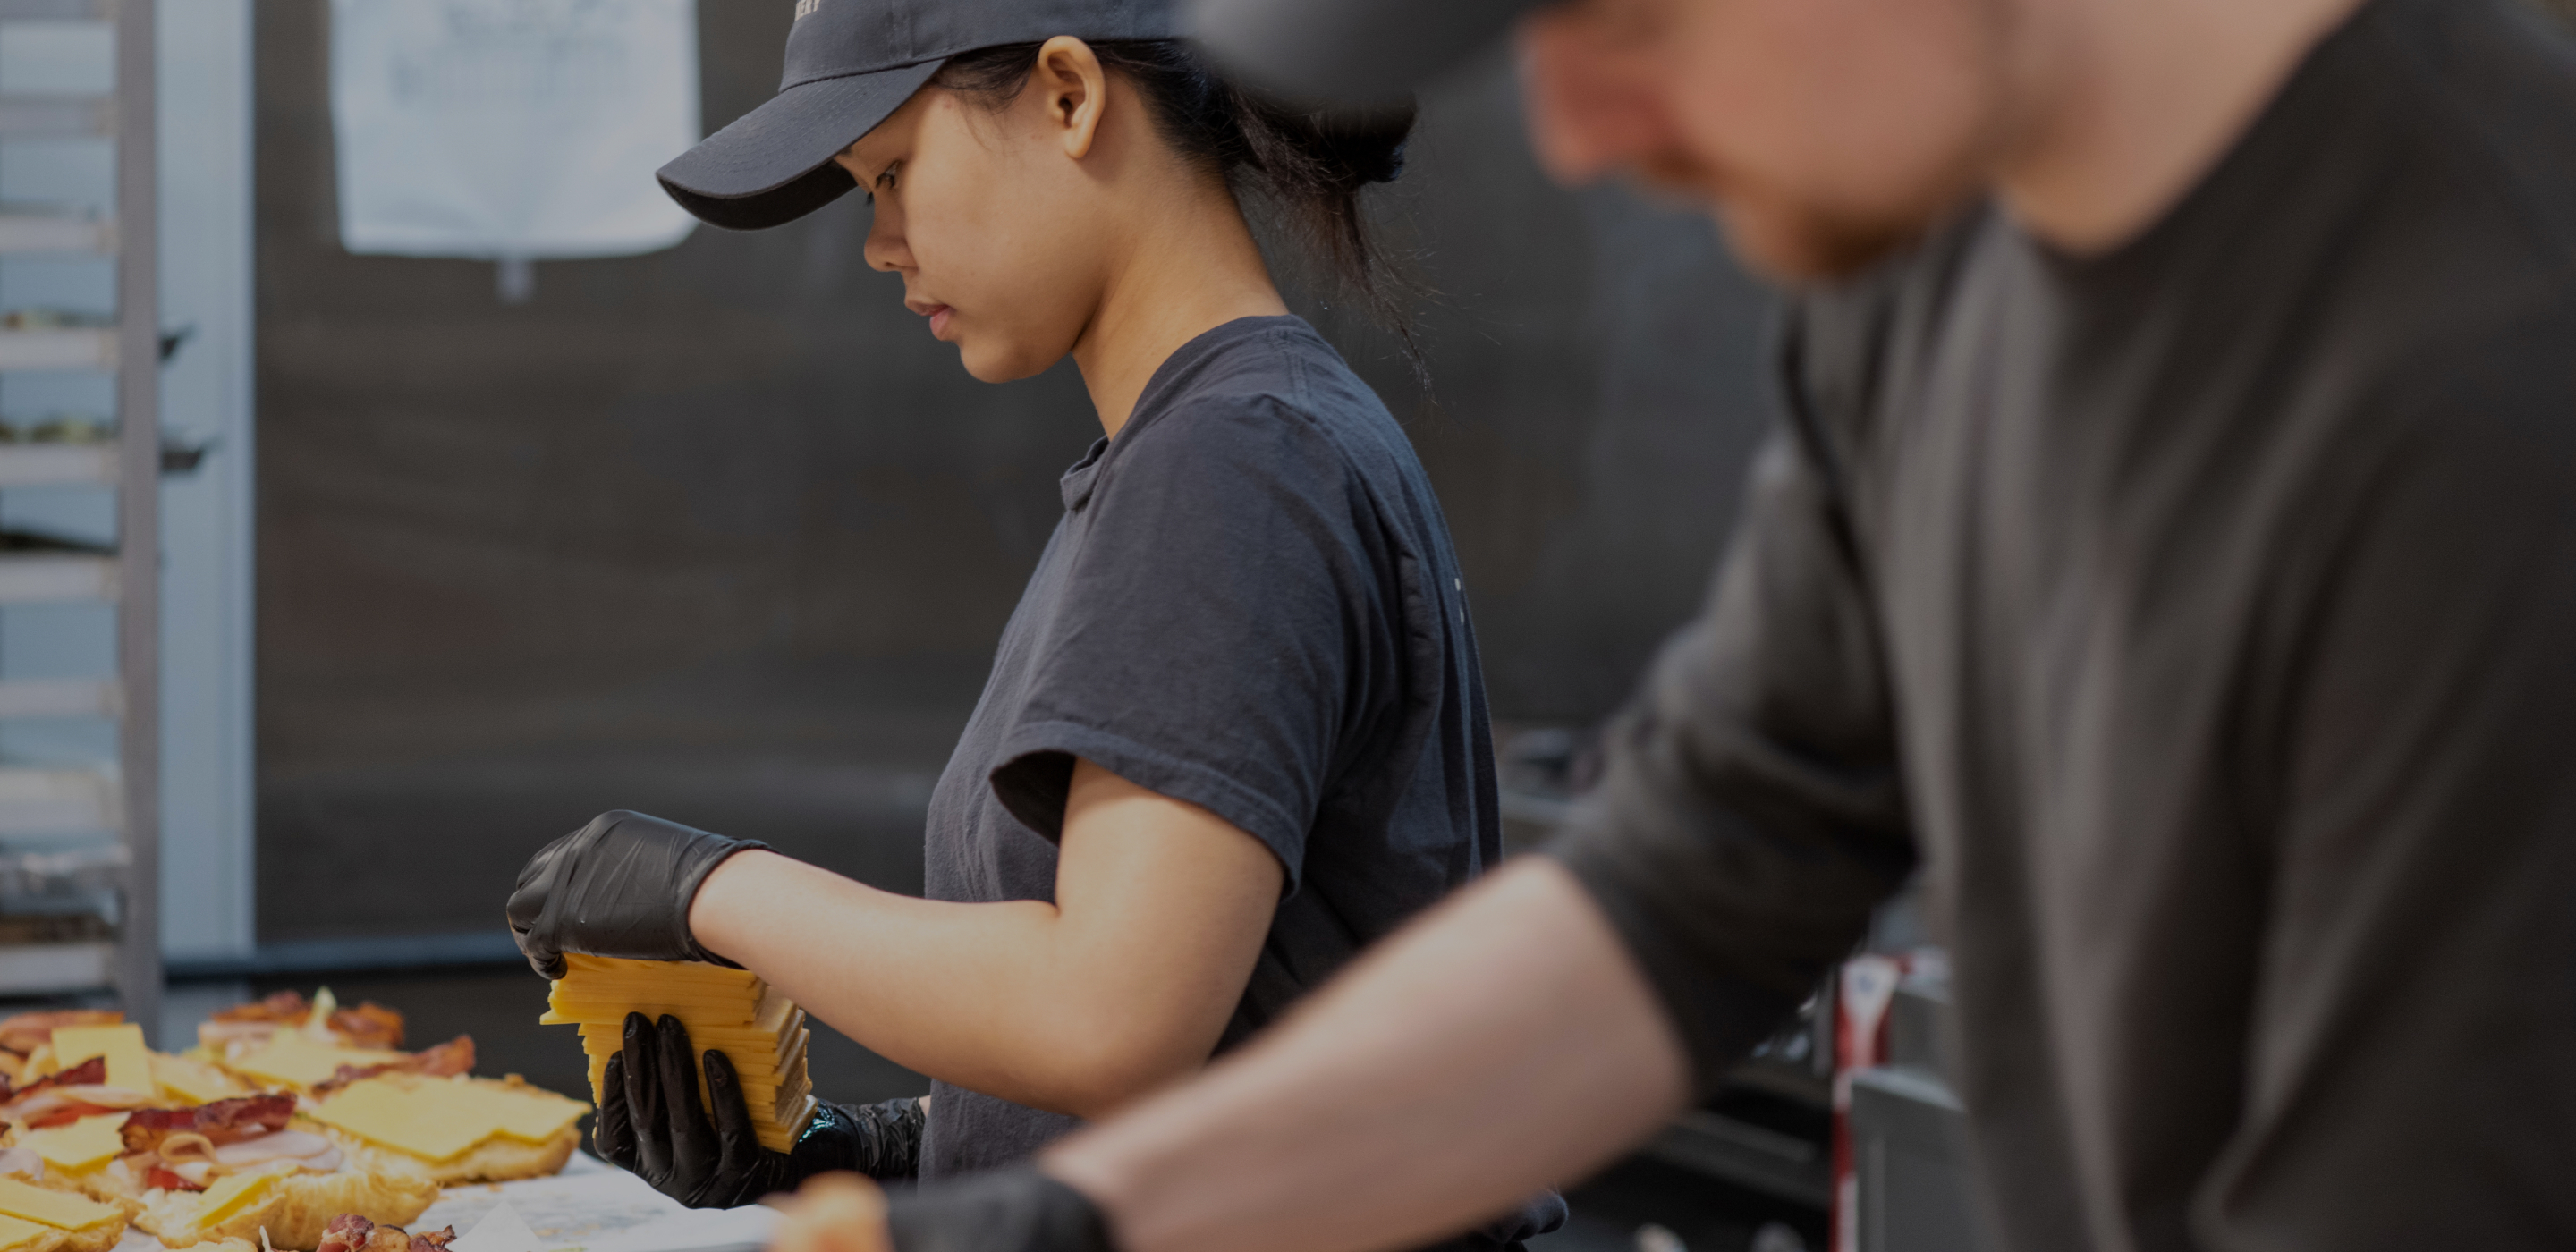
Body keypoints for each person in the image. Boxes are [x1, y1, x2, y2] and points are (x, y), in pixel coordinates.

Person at [758, 0, 2576, 1248]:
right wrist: (1061, 1223)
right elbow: (1679, 902)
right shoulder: (1933, 286)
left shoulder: (2474, 369)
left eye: (1628, 9)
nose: (1575, 129)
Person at [504, 1, 1564, 1245]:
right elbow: (1234, 1044)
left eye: (893, 171)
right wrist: (871, 1150)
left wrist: (706, 888)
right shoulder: (1204, 450)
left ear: (1069, 94)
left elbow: (1110, 1013)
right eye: (863, 194)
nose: (880, 244)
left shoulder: (1235, 464)